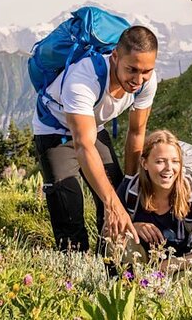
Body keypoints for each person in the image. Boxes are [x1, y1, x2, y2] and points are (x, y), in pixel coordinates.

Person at [33, 25, 158, 252]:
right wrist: (113, 204)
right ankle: (72, 264)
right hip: (55, 130)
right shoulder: (83, 79)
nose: (138, 79)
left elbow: (137, 132)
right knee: (68, 203)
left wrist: (129, 185)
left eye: (146, 71)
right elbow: (83, 145)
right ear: (115, 57)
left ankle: (109, 263)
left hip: (93, 126)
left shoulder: (147, 81)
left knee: (117, 194)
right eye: (132, 69)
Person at [117, 130, 192, 271]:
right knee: (119, 242)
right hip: (137, 266)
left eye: (175, 161)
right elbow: (108, 234)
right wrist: (133, 228)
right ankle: (127, 287)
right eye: (160, 161)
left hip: (178, 267)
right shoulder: (130, 191)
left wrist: (169, 266)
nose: (169, 168)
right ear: (144, 163)